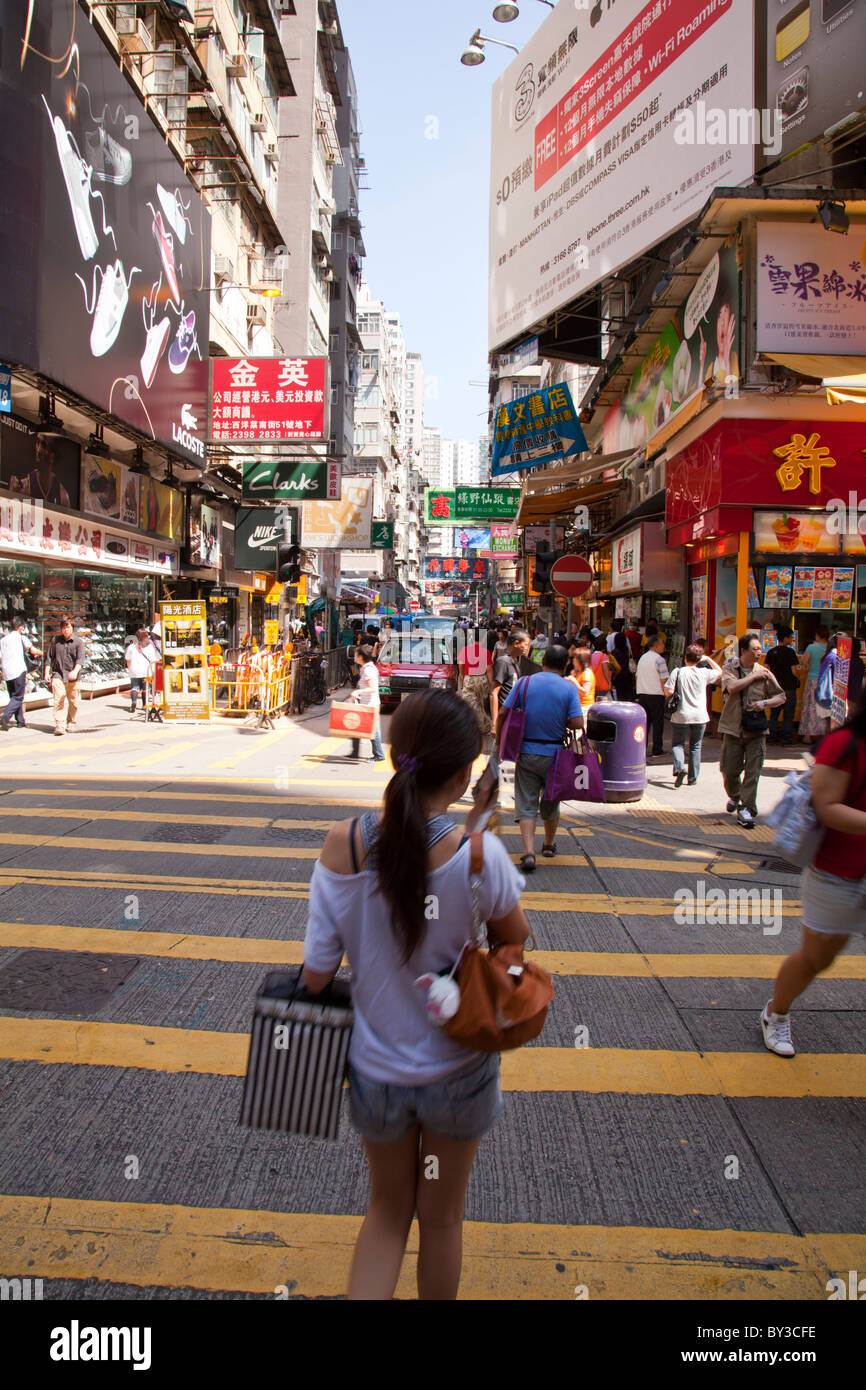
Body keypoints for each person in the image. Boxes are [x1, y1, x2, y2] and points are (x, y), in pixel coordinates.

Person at [301, 690, 527, 1299]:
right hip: (459, 1070)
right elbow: (516, 945)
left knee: (385, 1211)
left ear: (395, 756)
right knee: (443, 1218)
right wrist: (478, 836)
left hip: (376, 1072)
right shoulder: (481, 854)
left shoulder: (342, 844)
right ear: (461, 778)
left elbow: (317, 975)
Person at [761, 691, 866, 1057]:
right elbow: (827, 807)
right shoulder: (844, 744)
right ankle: (777, 1012)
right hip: (840, 875)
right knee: (817, 958)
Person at [496, 644, 584, 872]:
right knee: (551, 799)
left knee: (526, 802)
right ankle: (548, 844)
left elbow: (504, 712)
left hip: (526, 752)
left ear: (542, 660)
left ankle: (528, 852)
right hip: (555, 754)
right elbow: (577, 723)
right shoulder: (568, 688)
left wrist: (499, 740)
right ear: (565, 665)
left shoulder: (524, 683)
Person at [718, 633, 786, 828]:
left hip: (756, 730)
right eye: (755, 649)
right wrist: (754, 676)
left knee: (753, 771)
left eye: (760, 649)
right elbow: (732, 688)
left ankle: (747, 808)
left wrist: (765, 702)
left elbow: (781, 696)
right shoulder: (730, 668)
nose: (759, 652)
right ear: (744, 651)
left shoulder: (764, 672)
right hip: (732, 728)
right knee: (729, 770)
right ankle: (736, 796)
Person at [663, 644, 722, 787]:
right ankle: (693, 778)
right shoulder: (704, 673)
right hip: (700, 715)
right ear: (699, 659)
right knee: (696, 746)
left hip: (681, 714)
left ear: (685, 657)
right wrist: (708, 659)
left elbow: (668, 691)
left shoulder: (678, 672)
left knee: (678, 744)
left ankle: (680, 768)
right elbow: (720, 671)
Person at [45, 615, 85, 736]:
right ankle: (59, 724)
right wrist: (47, 672)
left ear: (72, 628)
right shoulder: (55, 640)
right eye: (63, 628)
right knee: (59, 698)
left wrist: (75, 671)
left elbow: (80, 660)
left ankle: (71, 722)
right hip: (58, 674)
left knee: (73, 701)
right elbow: (49, 657)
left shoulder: (78, 642)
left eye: (67, 627)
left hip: (73, 676)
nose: (65, 630)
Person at [0, 618, 42, 731]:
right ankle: (5, 715)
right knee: (18, 697)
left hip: (7, 671)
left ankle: (20, 721)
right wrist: (43, 653)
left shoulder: (3, 640)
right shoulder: (21, 638)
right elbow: (33, 651)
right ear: (20, 627)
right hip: (18, 670)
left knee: (13, 696)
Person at [10, 432, 71, 507]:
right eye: (38, 444)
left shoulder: (63, 496)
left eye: (43, 445)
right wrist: (12, 497)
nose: (38, 450)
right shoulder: (25, 486)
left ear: (52, 456)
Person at [764, 628, 801, 745]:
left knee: (774, 714)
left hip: (775, 688)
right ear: (785, 638)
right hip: (789, 687)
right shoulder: (790, 653)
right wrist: (798, 677)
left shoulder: (771, 652)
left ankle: (772, 738)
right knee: (788, 715)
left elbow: (766, 669)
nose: (791, 639)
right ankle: (786, 738)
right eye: (790, 637)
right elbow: (794, 671)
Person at [348, 645, 385, 763]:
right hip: (365, 702)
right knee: (356, 727)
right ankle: (355, 752)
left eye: (355, 654)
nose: (354, 657)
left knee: (373, 730)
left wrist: (358, 691)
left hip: (370, 704)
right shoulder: (365, 668)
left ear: (360, 656)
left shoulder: (369, 669)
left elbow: (372, 688)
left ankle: (379, 755)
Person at [489, 627, 530, 733]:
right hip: (504, 717)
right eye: (525, 645)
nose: (527, 648)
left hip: (513, 715)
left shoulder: (514, 661)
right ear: (516, 643)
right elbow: (494, 693)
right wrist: (495, 724)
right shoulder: (503, 662)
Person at [635, 633, 669, 758]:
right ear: (655, 645)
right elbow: (664, 679)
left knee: (645, 723)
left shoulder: (642, 658)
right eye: (662, 644)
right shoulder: (659, 659)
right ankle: (657, 749)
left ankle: (641, 749)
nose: (663, 646)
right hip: (656, 694)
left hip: (643, 694)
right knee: (658, 723)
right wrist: (667, 694)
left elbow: (637, 676)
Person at [457, 628, 492, 742]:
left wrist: (463, 678)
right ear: (482, 639)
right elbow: (489, 669)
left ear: (471, 638)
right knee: (481, 704)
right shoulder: (485, 652)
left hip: (469, 678)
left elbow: (461, 666)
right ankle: (482, 727)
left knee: (470, 704)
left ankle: (472, 727)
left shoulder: (465, 650)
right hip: (482, 678)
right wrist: (492, 684)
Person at [798, 625, 828, 744]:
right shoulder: (830, 647)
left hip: (812, 680)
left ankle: (808, 736)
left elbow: (803, 661)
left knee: (810, 707)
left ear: (817, 635)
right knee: (824, 708)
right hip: (825, 680)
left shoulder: (811, 647)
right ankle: (823, 734)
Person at [125, 628, 159, 716]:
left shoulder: (131, 647)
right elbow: (153, 659)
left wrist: (129, 668)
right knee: (145, 688)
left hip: (134, 669)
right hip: (146, 670)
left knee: (134, 687)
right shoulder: (149, 646)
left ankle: (133, 702)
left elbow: (127, 659)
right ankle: (144, 705)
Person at [567, 645, 596, 716]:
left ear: (581, 660)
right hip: (576, 706)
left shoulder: (587, 673)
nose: (573, 659)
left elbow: (585, 692)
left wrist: (574, 682)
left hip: (584, 708)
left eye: (575, 658)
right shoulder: (577, 672)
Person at [610, 630, 635, 701]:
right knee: (627, 696)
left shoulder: (614, 652)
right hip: (628, 676)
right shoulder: (627, 650)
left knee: (619, 696)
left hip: (618, 677)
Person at [590, 632, 613, 702]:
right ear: (604, 648)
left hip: (593, 684)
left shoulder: (590, 656)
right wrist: (609, 682)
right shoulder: (604, 656)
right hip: (602, 685)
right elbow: (605, 670)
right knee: (606, 703)